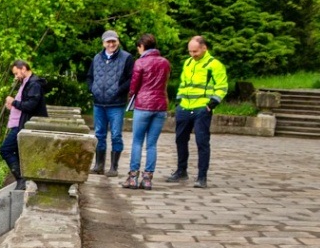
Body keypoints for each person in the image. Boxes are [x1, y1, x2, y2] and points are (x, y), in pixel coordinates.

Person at [167, 36, 228, 188]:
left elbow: (222, 86)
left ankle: (202, 177)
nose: (192, 54)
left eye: (195, 51)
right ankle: (181, 171)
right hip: (185, 107)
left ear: (204, 48)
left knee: (202, 142)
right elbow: (183, 84)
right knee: (180, 140)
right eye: (190, 51)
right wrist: (179, 102)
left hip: (202, 108)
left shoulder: (214, 65)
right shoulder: (188, 62)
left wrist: (211, 104)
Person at [123, 34, 171, 191]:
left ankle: (132, 178)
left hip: (143, 105)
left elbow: (134, 86)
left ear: (141, 46)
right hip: (160, 106)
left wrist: (131, 95)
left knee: (137, 141)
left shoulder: (140, 62)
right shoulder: (165, 63)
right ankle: (147, 179)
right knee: (152, 144)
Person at [86, 30, 135, 177]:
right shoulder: (97, 58)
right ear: (103, 43)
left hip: (116, 103)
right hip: (99, 103)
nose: (111, 44)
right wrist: (92, 88)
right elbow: (89, 76)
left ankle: (114, 167)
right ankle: (99, 165)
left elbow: (131, 78)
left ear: (118, 41)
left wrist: (119, 90)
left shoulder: (127, 58)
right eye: (108, 41)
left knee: (115, 135)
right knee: (99, 134)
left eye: (113, 41)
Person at [1, 60, 48, 190]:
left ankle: (21, 179)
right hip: (21, 123)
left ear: (23, 68)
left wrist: (14, 102)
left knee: (6, 149)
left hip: (26, 125)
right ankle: (22, 178)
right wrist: (12, 106)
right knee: (14, 150)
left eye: (16, 73)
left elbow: (30, 106)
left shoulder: (33, 84)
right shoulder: (26, 83)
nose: (16, 77)